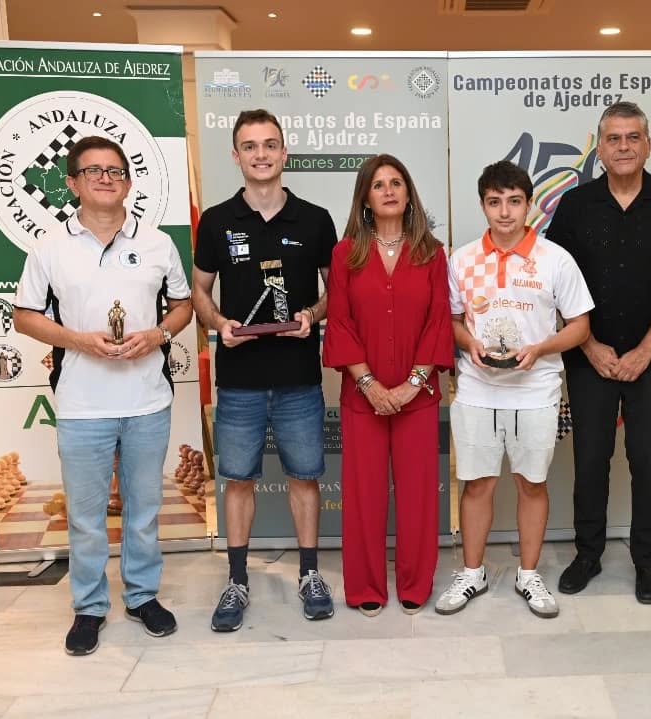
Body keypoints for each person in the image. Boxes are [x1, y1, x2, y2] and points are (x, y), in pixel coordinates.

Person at [14, 135, 193, 655]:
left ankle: (141, 596)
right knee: (86, 516)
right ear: (72, 183)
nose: (105, 178)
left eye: (115, 170)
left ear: (129, 182)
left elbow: (181, 306)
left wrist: (158, 334)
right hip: (82, 405)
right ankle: (89, 607)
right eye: (92, 170)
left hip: (146, 401)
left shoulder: (157, 244)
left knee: (143, 510)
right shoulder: (49, 249)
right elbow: (25, 317)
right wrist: (77, 339)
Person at [547, 101, 651, 603]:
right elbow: (556, 287)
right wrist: (591, 346)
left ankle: (647, 561)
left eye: (632, 137)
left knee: (648, 462)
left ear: (647, 145)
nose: (623, 146)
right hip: (589, 359)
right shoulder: (575, 207)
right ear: (600, 147)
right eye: (614, 138)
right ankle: (588, 554)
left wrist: (643, 350)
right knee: (590, 460)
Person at [192, 109, 338, 631]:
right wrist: (218, 324)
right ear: (236, 155)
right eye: (249, 146)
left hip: (299, 375)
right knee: (238, 481)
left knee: (305, 477)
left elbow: (335, 291)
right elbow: (200, 292)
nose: (260, 154)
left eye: (269, 144)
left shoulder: (316, 218)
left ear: (284, 152)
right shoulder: (216, 220)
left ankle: (309, 574)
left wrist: (311, 315)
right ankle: (236, 580)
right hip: (239, 380)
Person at [438, 161, 593, 618]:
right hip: (476, 390)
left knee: (532, 483)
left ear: (529, 205)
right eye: (494, 202)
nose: (504, 212)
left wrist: (540, 347)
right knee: (477, 484)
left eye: (514, 201)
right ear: (483, 204)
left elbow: (580, 327)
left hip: (536, 390)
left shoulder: (555, 258)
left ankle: (529, 575)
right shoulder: (462, 259)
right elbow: (449, 320)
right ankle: (472, 573)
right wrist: (470, 343)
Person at [322, 154, 453, 616]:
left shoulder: (433, 253)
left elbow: (439, 323)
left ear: (409, 192)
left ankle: (417, 583)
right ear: (365, 198)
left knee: (419, 496)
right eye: (378, 184)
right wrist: (371, 385)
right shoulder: (344, 255)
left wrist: (413, 384)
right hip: (364, 398)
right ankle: (366, 588)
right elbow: (339, 322)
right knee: (363, 497)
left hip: (418, 397)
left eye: (397, 181)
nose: (389, 190)